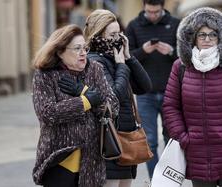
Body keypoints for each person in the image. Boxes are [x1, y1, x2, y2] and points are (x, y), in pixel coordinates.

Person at [163, 7, 222, 187]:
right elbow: (170, 106)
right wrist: (183, 137)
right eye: (202, 34)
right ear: (193, 37)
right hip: (197, 153)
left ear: (221, 37)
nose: (207, 39)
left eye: (212, 34)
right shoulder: (181, 67)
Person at [32, 24, 119, 187]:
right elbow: (47, 113)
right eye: (77, 48)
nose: (83, 53)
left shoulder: (95, 69)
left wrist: (84, 90)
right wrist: (85, 101)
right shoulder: (44, 75)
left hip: (91, 161)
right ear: (60, 51)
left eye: (85, 48)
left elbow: (113, 106)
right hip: (59, 159)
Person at [83, 9, 152, 187]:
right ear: (98, 35)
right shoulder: (95, 62)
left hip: (126, 139)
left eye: (119, 33)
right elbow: (114, 96)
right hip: (109, 140)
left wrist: (129, 58)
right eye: (112, 34)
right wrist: (121, 66)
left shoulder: (116, 57)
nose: (118, 39)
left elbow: (145, 87)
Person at [125, 0, 180, 178]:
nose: (153, 15)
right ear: (144, 8)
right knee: (149, 141)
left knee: (171, 140)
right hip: (144, 93)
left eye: (156, 12)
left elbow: (187, 56)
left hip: (171, 92)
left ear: (163, 8)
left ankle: (169, 180)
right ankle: (155, 180)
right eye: (149, 12)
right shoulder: (134, 26)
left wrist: (172, 51)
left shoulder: (176, 24)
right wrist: (143, 50)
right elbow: (126, 57)